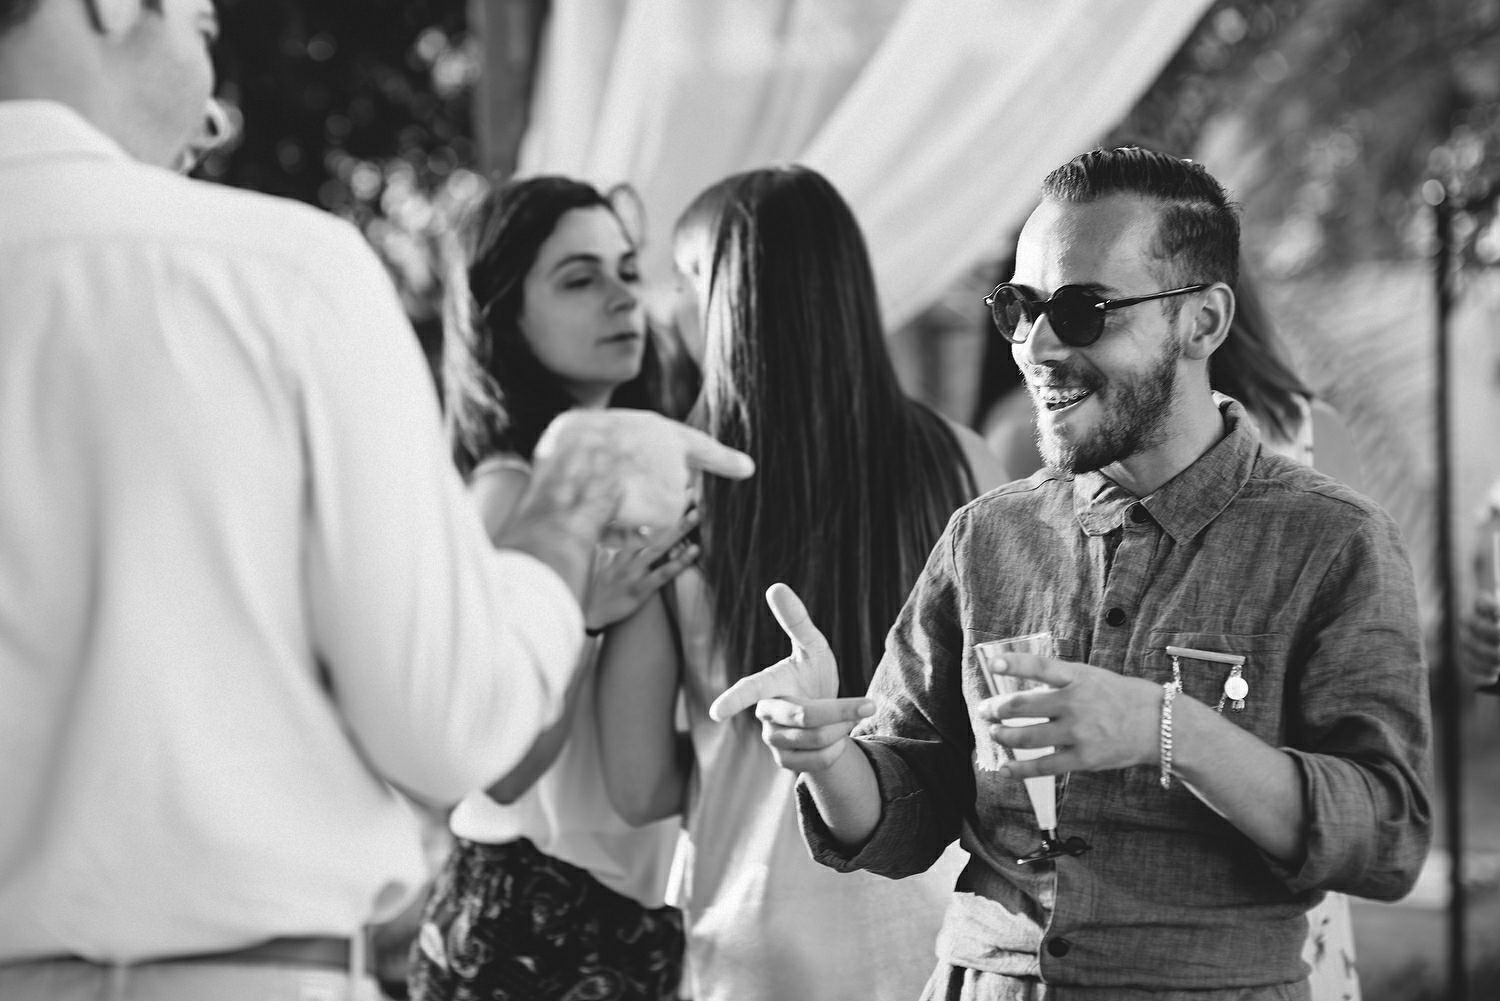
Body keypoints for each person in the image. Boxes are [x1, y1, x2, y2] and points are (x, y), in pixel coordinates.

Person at [0, 4, 751, 1000]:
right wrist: (563, 530)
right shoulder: (275, 277)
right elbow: (454, 738)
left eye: (627, 270)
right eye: (202, 24)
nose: (216, 118)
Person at [717, 147, 1432, 999]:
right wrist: (830, 759)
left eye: (1084, 309)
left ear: (1202, 322)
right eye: (1019, 307)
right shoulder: (988, 534)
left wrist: (1167, 728)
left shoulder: (1332, 541)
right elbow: (910, 808)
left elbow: (1387, 834)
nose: (1037, 344)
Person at [595, 164, 1008, 1001]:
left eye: (683, 281)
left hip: (750, 944)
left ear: (726, 298)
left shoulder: (667, 485)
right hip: (935, 937)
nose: (668, 312)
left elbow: (636, 785)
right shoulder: (964, 461)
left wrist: (742, 758)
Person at [407, 176, 692, 1001]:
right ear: (504, 317)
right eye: (579, 278)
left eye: (627, 270)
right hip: (526, 923)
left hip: (627, 916)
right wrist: (582, 619)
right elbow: (494, 770)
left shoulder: (650, 468)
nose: (620, 298)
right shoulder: (510, 490)